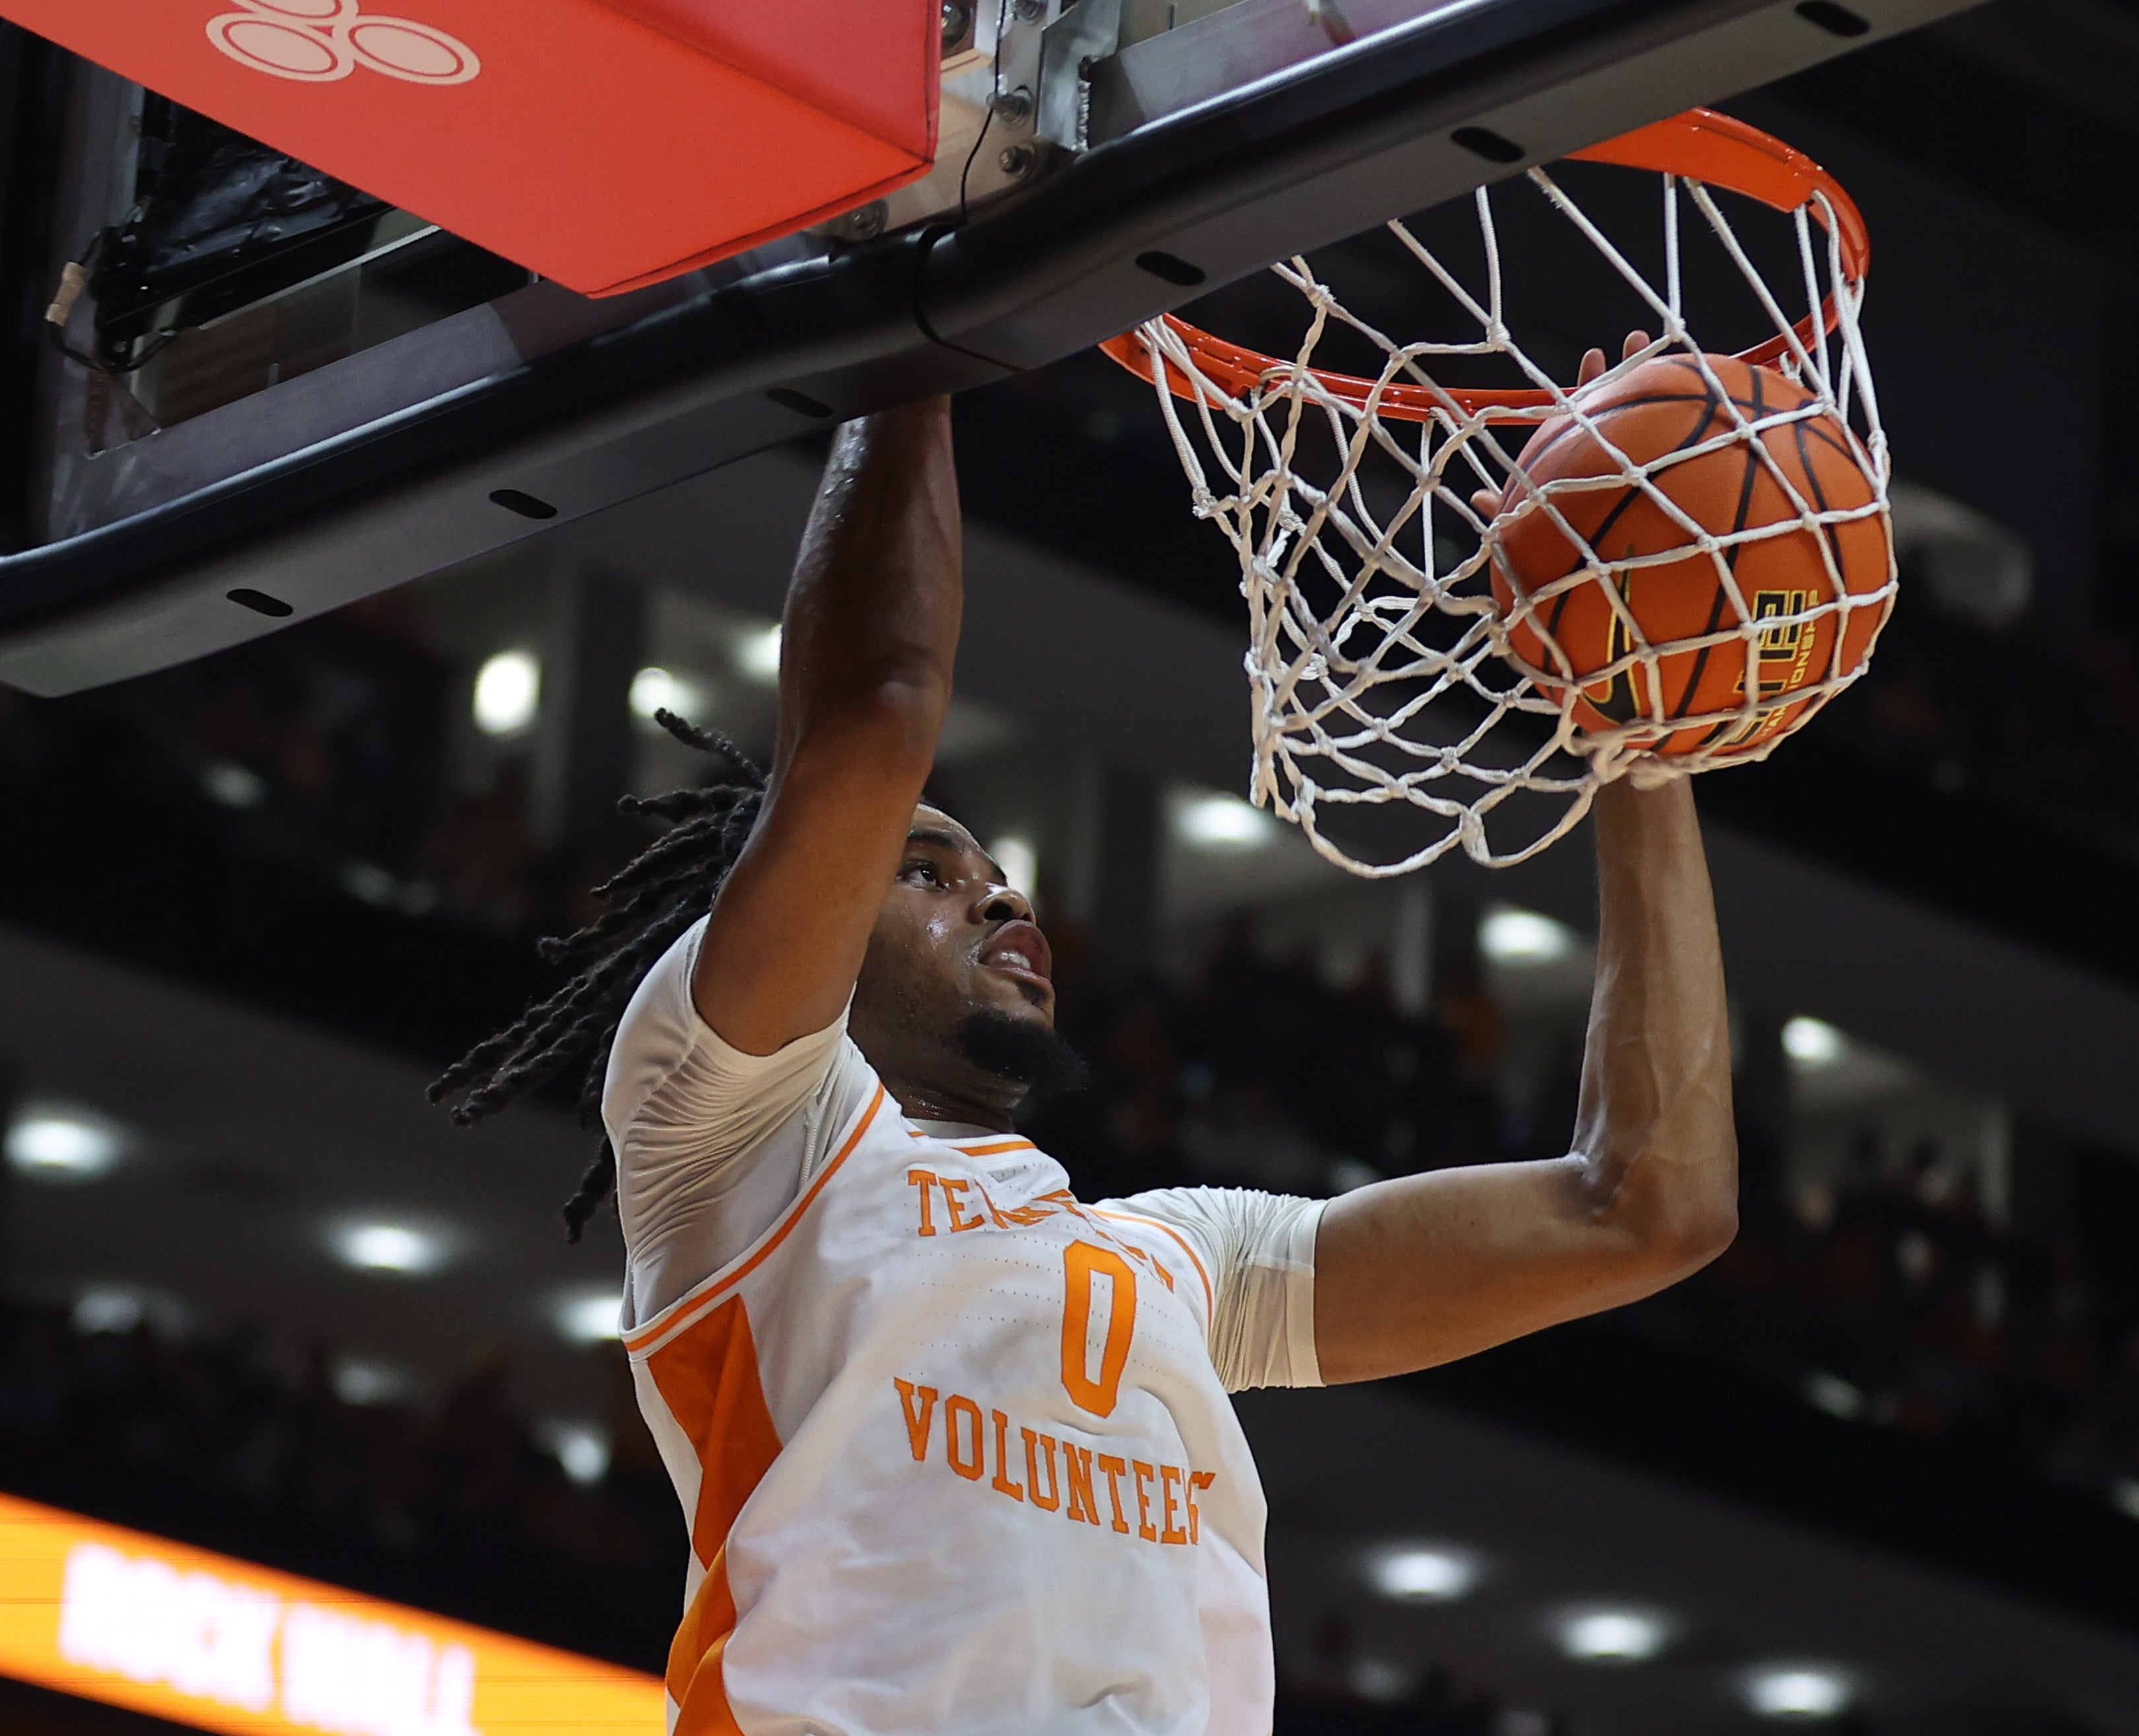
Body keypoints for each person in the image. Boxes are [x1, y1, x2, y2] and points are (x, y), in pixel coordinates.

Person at [431, 381, 1738, 1736]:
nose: (1003, 898)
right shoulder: (742, 1138)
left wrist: (1636, 732)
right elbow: (872, 712)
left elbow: (1645, 1204)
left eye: (1000, 874)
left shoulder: (1179, 1260)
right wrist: (918, 340)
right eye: (927, 870)